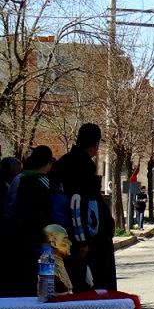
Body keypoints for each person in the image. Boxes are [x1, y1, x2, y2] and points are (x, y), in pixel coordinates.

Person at [49, 123, 116, 292]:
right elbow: (76, 204)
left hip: (76, 237)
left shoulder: (65, 161)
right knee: (92, 288)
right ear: (95, 145)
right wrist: (82, 242)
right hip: (87, 242)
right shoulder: (81, 165)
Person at [2, 145, 53, 297]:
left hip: (16, 240)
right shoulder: (42, 181)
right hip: (37, 241)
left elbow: (9, 211)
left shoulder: (19, 178)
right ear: (47, 163)